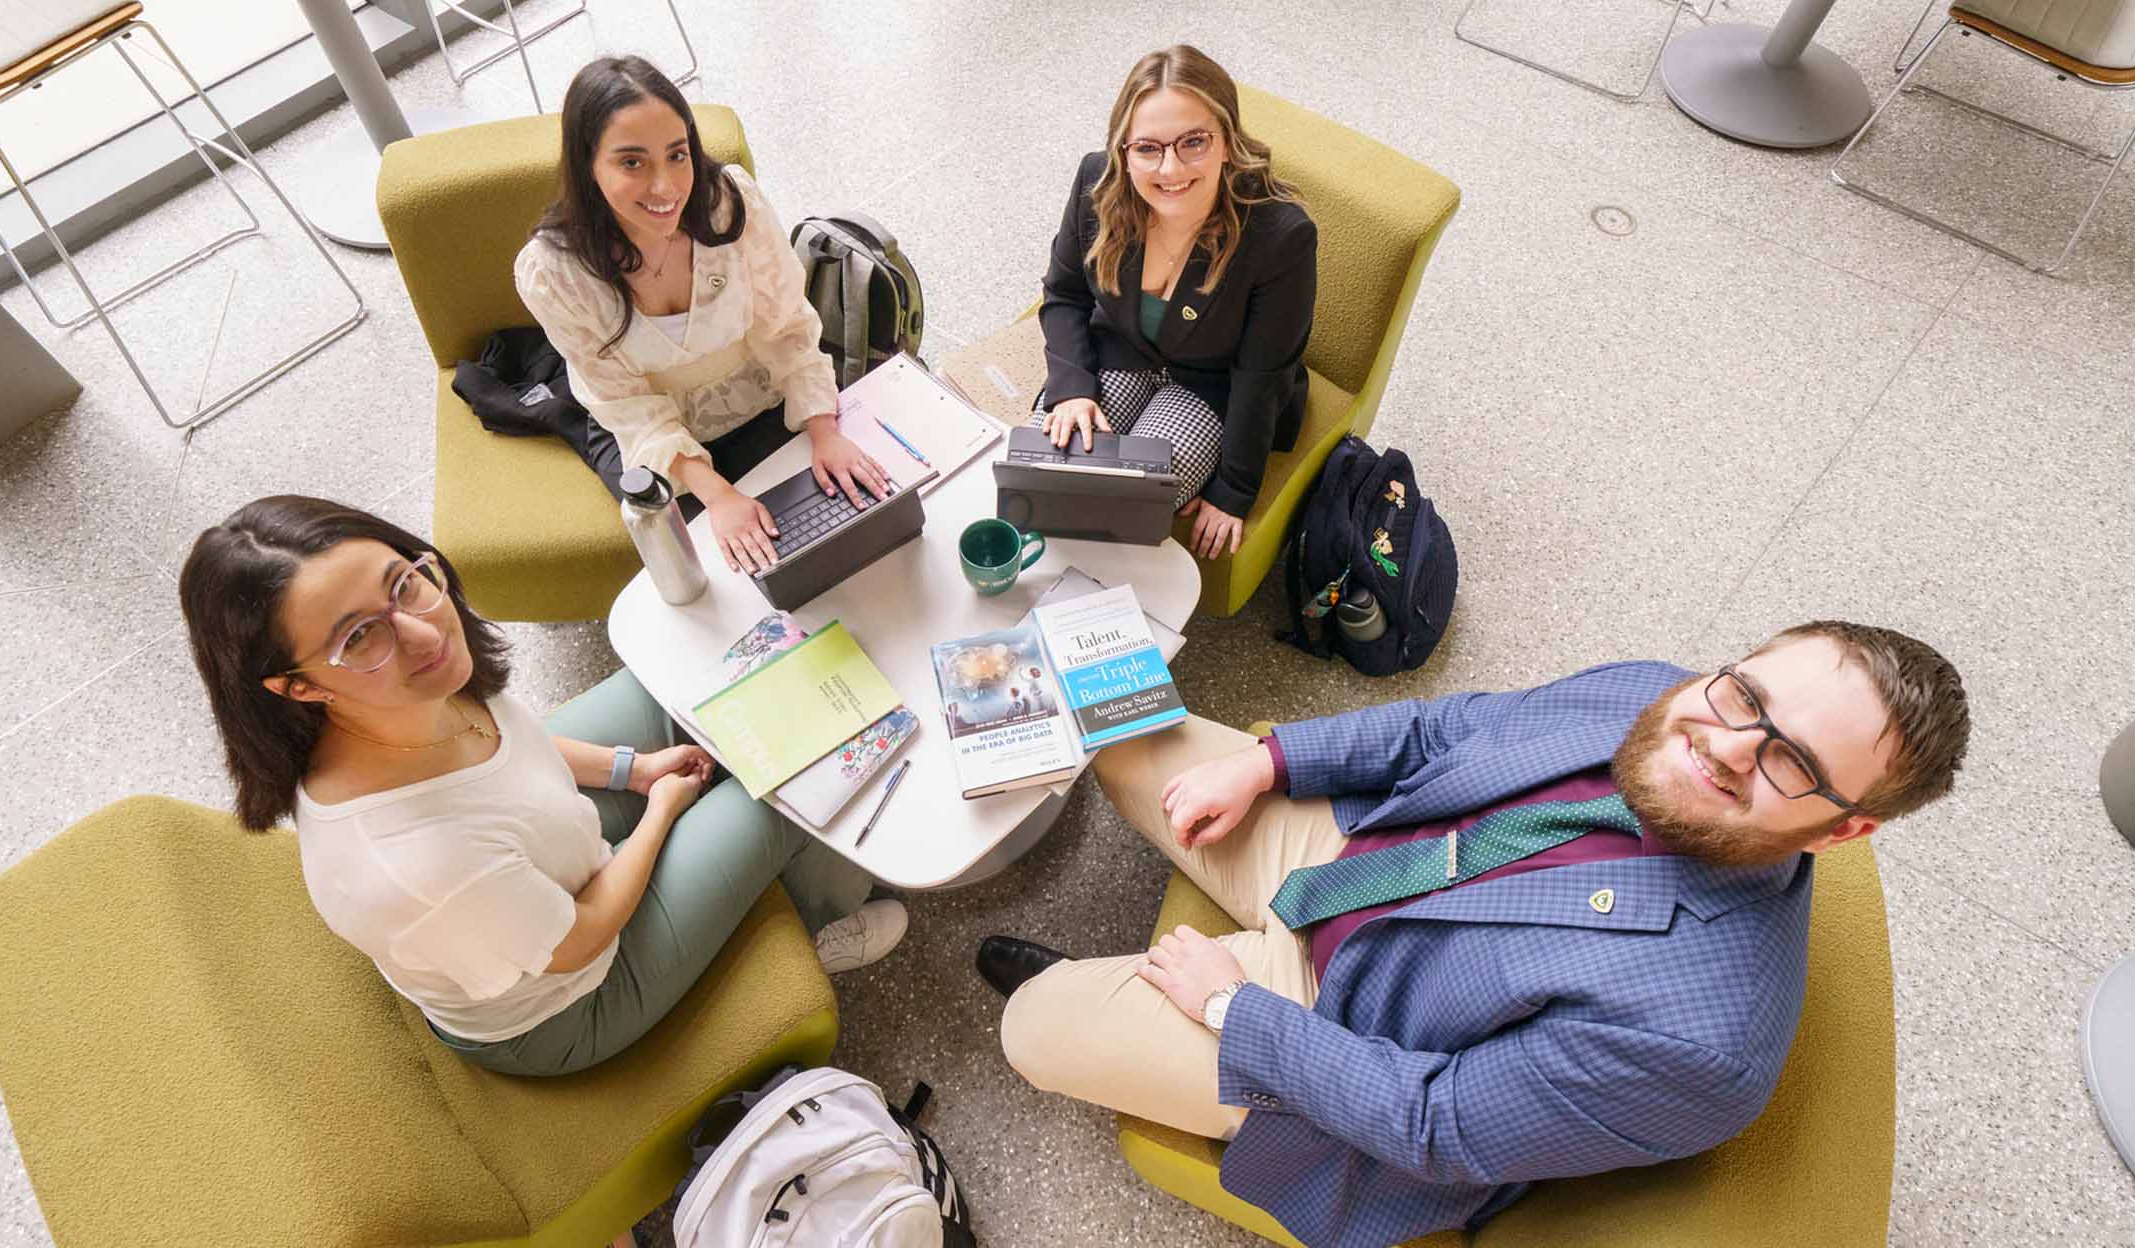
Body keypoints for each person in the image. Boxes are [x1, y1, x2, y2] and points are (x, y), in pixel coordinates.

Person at [979, 622, 1971, 1248]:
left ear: (1844, 828)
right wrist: (1271, 763)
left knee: (1032, 1027)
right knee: (1119, 727)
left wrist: (1235, 1007)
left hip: (1344, 1031)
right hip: (1358, 851)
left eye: (1789, 761)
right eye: (1745, 696)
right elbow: (1446, 730)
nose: (1723, 744)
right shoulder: (1660, 695)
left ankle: (1092, 992)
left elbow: (1433, 1127)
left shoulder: (1691, 1042)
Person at [179, 496, 907, 1083]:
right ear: (298, 685)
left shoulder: (404, 693)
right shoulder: (416, 867)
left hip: (547, 859)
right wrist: (658, 813)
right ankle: (821, 918)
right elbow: (581, 936)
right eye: (359, 637)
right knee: (779, 787)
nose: (423, 633)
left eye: (404, 583)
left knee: (687, 689)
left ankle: (761, 856)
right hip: (571, 1000)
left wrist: (635, 768)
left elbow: (510, 752)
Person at [518, 55, 889, 576]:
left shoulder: (730, 203)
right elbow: (626, 405)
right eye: (632, 162)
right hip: (651, 430)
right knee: (720, 574)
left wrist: (824, 430)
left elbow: (786, 324)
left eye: (677, 154)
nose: (666, 187)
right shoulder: (553, 273)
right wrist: (716, 495)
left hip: (757, 392)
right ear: (587, 164)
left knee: (841, 533)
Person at [1036, 44, 1317, 560]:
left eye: (1193, 142)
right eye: (1147, 147)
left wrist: (1234, 489)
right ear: (1123, 149)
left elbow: (1263, 374)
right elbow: (1064, 293)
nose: (1169, 168)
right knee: (1046, 479)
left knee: (1125, 508)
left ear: (1229, 142)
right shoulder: (1095, 183)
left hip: (1212, 386)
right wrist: (1072, 388)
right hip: (1119, 351)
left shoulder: (1282, 236)